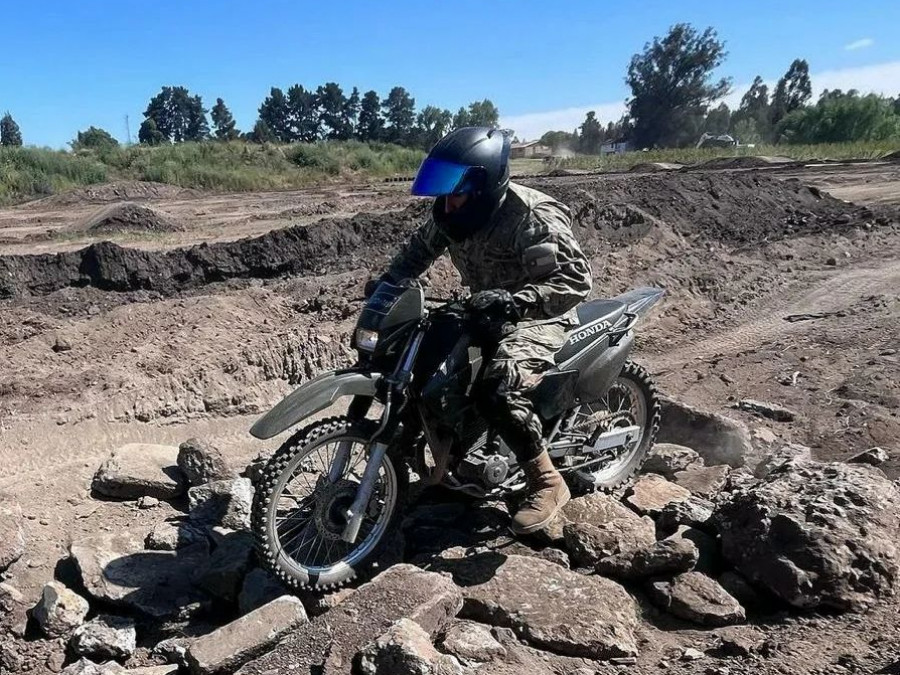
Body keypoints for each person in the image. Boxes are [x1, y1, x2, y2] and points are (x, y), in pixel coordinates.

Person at [368, 127, 592, 534]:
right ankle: (439, 458)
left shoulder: (531, 216)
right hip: (484, 308)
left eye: (456, 192)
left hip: (539, 315)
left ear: (485, 185)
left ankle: (547, 480)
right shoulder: (452, 215)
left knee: (497, 388)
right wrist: (384, 287)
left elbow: (574, 281)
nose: (447, 203)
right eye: (443, 191)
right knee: (427, 367)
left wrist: (517, 301)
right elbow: (413, 257)